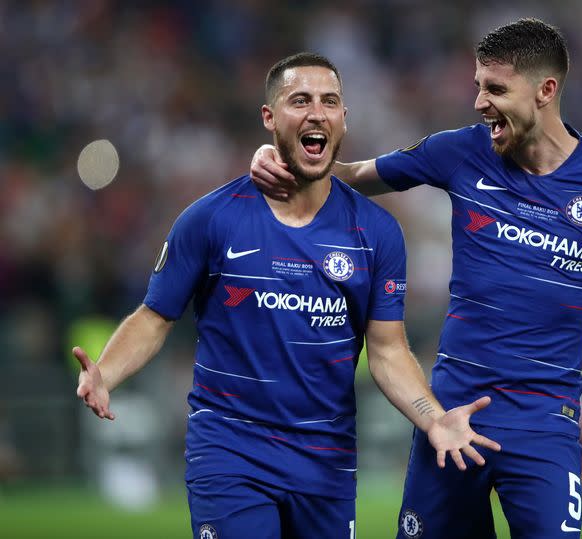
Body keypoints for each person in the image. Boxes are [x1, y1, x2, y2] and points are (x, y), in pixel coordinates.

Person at [250, 19, 582, 539]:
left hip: (545, 424)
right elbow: (351, 177)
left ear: (546, 91)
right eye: (478, 85)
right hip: (452, 416)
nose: (480, 102)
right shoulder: (460, 152)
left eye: (496, 89)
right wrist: (280, 157)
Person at [74, 52, 500, 539]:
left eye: (330, 101)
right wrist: (105, 372)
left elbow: (386, 350)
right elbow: (154, 318)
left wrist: (433, 420)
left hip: (325, 462)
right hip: (231, 450)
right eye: (300, 100)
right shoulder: (211, 219)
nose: (317, 112)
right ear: (269, 117)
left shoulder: (377, 233)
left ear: (343, 118)